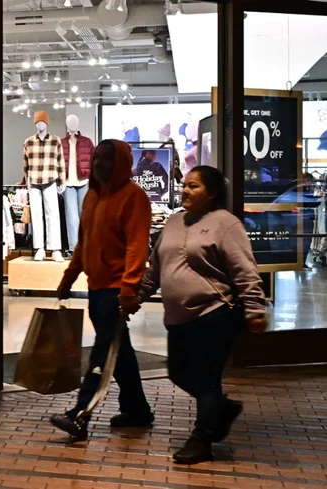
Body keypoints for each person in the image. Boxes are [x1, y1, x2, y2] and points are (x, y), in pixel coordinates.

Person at [135, 166, 267, 464]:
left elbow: (245, 270)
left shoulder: (226, 224)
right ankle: (222, 408)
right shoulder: (172, 222)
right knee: (178, 373)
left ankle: (202, 439)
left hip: (214, 313)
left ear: (212, 192)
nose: (185, 190)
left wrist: (255, 308)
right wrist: (137, 297)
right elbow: (155, 268)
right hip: (178, 316)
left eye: (193, 186)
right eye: (184, 185)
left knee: (207, 380)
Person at [50, 139, 154, 441]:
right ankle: (137, 410)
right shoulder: (92, 196)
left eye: (106, 159)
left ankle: (80, 415)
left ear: (122, 162)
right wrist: (69, 277)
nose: (99, 164)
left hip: (115, 290)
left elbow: (137, 247)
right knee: (119, 353)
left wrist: (129, 288)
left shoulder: (134, 197)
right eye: (96, 158)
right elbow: (84, 241)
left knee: (102, 353)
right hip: (95, 288)